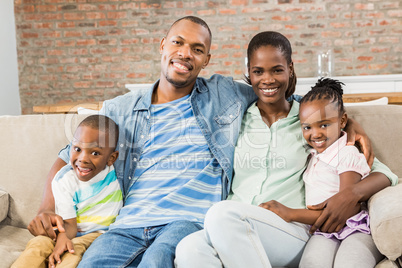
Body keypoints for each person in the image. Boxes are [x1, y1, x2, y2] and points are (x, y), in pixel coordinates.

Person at [28, 17, 378, 267]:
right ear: (163, 45)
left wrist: (347, 124)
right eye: (178, 42)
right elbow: (68, 156)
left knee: (158, 261)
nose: (185, 53)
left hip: (191, 218)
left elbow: (286, 95)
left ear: (206, 60)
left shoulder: (222, 94)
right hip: (130, 221)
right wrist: (47, 207)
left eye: (197, 49)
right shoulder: (120, 109)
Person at [175, 31, 398, 268]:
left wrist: (349, 194)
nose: (267, 79)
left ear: (290, 69)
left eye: (277, 70)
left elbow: (384, 173)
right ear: (249, 72)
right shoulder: (235, 119)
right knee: (189, 249)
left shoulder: (310, 121)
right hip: (233, 225)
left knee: (221, 214)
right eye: (258, 71)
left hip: (290, 229)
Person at [260, 77, 389, 267]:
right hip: (324, 231)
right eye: (307, 127)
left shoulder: (346, 153)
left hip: (354, 228)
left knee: (350, 262)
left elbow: (347, 209)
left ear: (343, 120)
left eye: (324, 125)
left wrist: (290, 213)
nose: (316, 134)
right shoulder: (313, 156)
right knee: (312, 263)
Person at [13, 115, 122, 268]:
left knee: (73, 251)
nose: (83, 158)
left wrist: (66, 242)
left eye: (95, 153)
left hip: (97, 235)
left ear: (111, 158)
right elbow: (69, 223)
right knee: (38, 244)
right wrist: (62, 238)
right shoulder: (64, 180)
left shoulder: (116, 173)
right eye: (77, 149)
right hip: (67, 228)